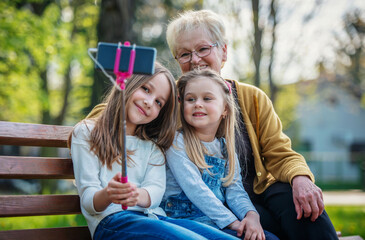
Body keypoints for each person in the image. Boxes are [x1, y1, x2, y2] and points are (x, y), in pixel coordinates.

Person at [164, 9, 338, 240]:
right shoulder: (169, 97)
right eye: (184, 54)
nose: (195, 59)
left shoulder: (252, 98)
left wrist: (301, 178)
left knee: (300, 207)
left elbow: (280, 152)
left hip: (250, 196)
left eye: (203, 49)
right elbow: (125, 106)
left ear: (223, 51)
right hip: (204, 204)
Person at [69, 62, 239, 240]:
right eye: (146, 89)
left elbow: (155, 192)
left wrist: (137, 196)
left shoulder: (152, 147)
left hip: (155, 218)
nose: (149, 102)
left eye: (159, 102)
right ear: (128, 82)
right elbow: (88, 199)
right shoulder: (87, 132)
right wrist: (108, 195)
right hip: (113, 222)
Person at [161, 69, 279, 240]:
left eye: (207, 98)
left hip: (215, 223)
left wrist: (251, 215)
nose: (197, 104)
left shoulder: (225, 148)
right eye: (190, 99)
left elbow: (235, 190)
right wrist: (233, 222)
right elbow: (195, 188)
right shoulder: (176, 142)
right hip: (182, 223)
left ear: (225, 109)